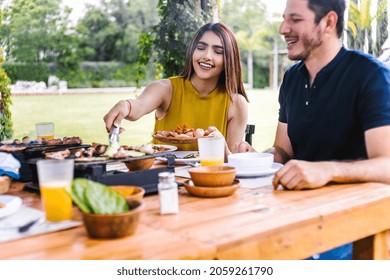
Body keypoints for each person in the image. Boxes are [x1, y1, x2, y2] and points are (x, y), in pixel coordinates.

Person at [233, 0, 390, 259]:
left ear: (328, 22)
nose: (283, 28)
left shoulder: (370, 76)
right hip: (295, 211)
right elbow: (283, 149)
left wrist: (327, 170)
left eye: (295, 20)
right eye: (284, 19)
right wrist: (256, 158)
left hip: (353, 223)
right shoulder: (292, 78)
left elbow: (387, 165)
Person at [104, 22, 249, 151]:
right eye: (201, 48)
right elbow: (137, 107)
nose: (207, 56)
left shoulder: (236, 103)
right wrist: (125, 105)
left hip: (208, 178)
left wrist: (220, 146)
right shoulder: (166, 89)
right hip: (163, 175)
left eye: (218, 52)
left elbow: (232, 162)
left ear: (229, 59)